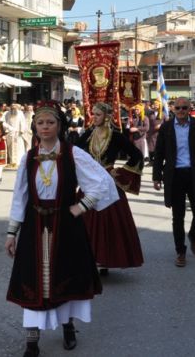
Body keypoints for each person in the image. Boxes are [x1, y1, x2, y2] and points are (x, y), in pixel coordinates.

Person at [4, 102, 118, 356]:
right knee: (33, 282)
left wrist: (82, 206)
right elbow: (20, 196)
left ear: (60, 126)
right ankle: (32, 341)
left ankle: (68, 326)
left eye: (50, 123)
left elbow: (102, 183)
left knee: (65, 277)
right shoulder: (28, 157)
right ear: (34, 126)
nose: (45, 127)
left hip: (66, 226)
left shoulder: (73, 154)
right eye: (40, 123)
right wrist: (12, 233)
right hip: (35, 226)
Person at [77, 102, 144, 275]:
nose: (94, 117)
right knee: (86, 219)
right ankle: (86, 258)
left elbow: (136, 155)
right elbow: (73, 151)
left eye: (98, 114)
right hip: (90, 182)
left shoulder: (116, 136)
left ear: (107, 116)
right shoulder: (88, 134)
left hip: (108, 183)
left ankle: (105, 259)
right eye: (93, 114)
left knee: (108, 220)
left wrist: (120, 172)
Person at [152, 96, 195, 267]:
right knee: (178, 216)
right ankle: (180, 251)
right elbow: (159, 153)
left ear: (190, 109)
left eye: (184, 108)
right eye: (178, 108)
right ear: (173, 109)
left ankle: (194, 235)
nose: (181, 111)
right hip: (174, 176)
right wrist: (156, 176)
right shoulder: (166, 127)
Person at [4, 104, 26, 168]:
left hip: (18, 134)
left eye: (14, 108)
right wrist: (7, 130)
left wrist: (21, 130)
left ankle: (19, 162)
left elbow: (23, 122)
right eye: (12, 108)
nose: (13, 109)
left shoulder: (20, 113)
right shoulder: (7, 114)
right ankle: (12, 161)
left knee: (19, 148)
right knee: (11, 148)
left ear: (17, 108)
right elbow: (5, 122)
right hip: (10, 133)